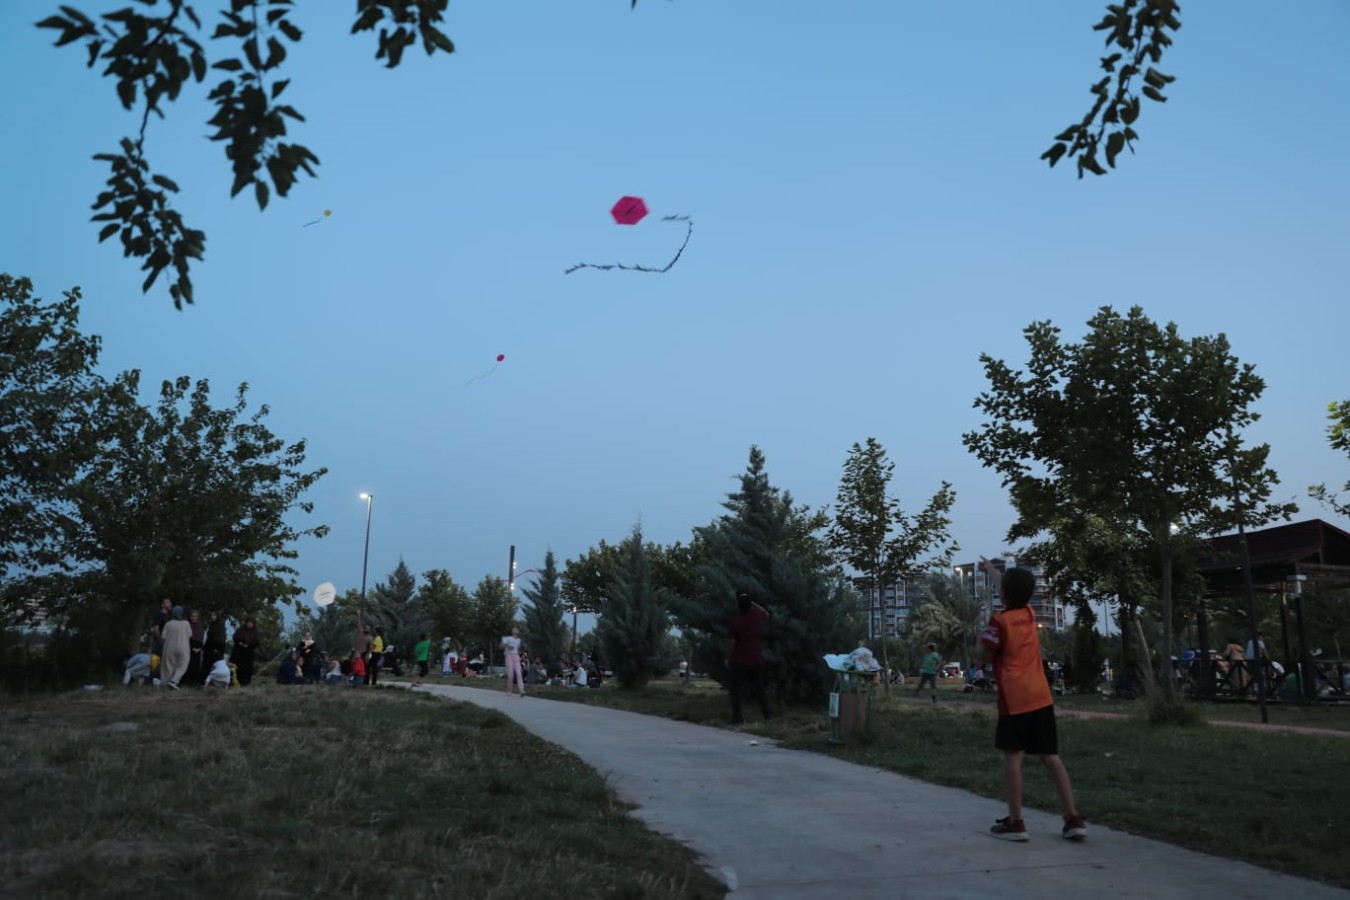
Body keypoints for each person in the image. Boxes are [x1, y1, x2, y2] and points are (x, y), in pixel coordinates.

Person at [979, 560, 1085, 842]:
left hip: (1014, 698)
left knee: (1013, 757)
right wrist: (991, 569)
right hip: (1041, 696)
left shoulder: (999, 621)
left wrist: (983, 641)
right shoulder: (1028, 613)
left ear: (1004, 595)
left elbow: (985, 655)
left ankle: (1016, 822)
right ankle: (1073, 818)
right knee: (1050, 756)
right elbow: (1006, 586)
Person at [725, 591, 771, 725]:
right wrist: (752, 602)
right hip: (755, 658)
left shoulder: (736, 621)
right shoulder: (757, 616)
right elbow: (766, 613)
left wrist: (727, 657)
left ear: (738, 606)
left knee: (736, 690)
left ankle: (738, 718)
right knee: (759, 688)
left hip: (738, 660)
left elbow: (731, 643)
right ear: (751, 606)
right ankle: (767, 715)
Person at [161, 605, 192, 690]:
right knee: (182, 664)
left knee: (168, 665)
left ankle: (166, 682)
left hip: (169, 647)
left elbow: (163, 636)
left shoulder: (168, 624)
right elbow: (190, 635)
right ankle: (174, 681)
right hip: (183, 647)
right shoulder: (186, 623)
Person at [231, 617, 260, 686]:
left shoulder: (255, 632)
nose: (249, 624)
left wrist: (249, 645)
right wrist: (239, 642)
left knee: (247, 667)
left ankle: (245, 682)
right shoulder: (241, 629)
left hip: (248, 652)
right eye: (248, 623)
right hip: (238, 651)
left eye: (251, 623)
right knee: (237, 667)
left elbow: (256, 642)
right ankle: (235, 681)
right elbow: (235, 637)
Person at [501, 627, 526, 697]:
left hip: (516, 656)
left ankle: (521, 690)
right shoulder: (507, 638)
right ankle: (509, 690)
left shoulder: (519, 640)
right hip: (509, 656)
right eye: (514, 629)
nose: (516, 630)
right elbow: (501, 646)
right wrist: (508, 646)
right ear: (511, 631)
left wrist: (520, 657)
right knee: (510, 675)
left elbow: (517, 649)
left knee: (519, 673)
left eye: (517, 629)